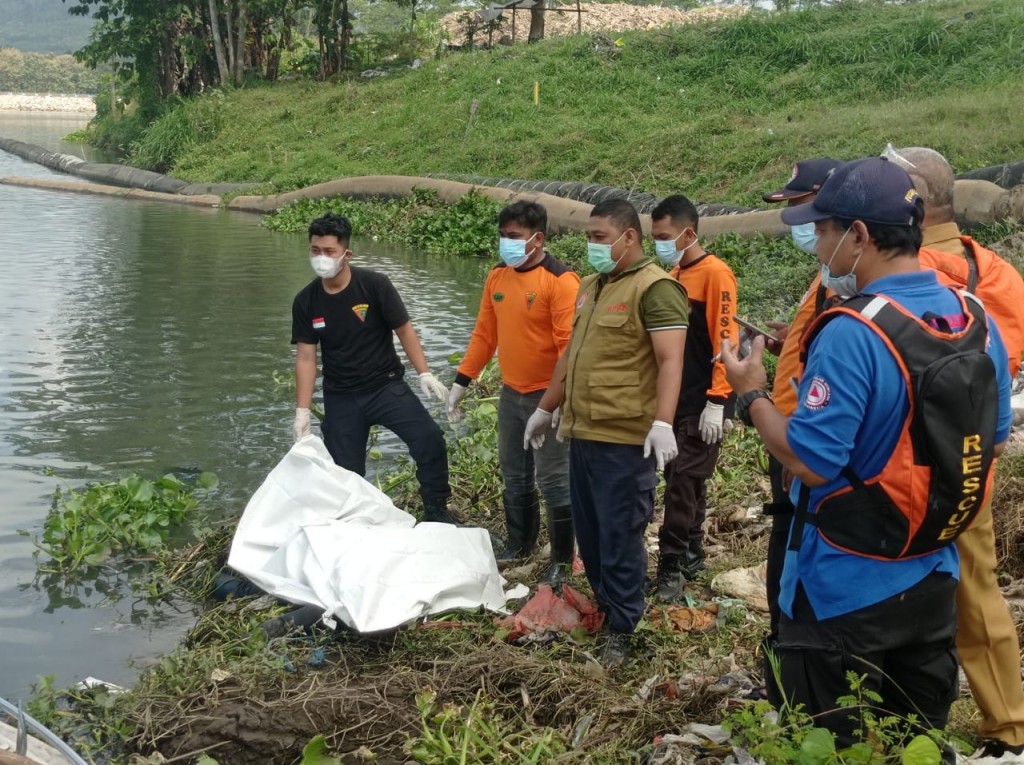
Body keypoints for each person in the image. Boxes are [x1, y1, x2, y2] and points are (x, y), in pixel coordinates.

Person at [723, 157, 1012, 746]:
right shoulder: (976, 317)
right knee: (917, 744)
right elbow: (995, 436)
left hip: (843, 584)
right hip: (934, 571)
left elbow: (810, 459)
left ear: (857, 235)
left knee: (833, 744)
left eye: (823, 231)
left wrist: (752, 393)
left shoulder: (854, 331)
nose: (817, 245)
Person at [891, 146, 1024, 759]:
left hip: (893, 466)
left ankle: (897, 726)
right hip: (972, 455)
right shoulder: (991, 271)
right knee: (978, 588)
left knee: (885, 591)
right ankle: (1008, 729)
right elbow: (1007, 357)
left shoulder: (885, 268)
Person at [523, 198, 689, 667]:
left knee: (620, 536)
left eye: (599, 237)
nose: (591, 245)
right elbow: (570, 355)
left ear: (629, 237)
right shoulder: (592, 285)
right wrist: (545, 408)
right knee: (591, 535)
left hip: (625, 438)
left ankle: (624, 625)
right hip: (583, 432)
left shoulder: (655, 289)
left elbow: (670, 360)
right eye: (589, 237)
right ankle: (605, 603)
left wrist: (662, 422)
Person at [291, 212, 456, 523]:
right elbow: (306, 357)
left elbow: (404, 329)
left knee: (430, 440)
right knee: (344, 473)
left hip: (385, 387)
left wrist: (424, 373)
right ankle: (356, 524)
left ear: (346, 254)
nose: (321, 258)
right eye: (315, 250)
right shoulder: (306, 301)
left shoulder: (374, 285)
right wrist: (302, 411)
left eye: (329, 251)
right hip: (341, 396)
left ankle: (436, 511)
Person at [447, 201, 580, 584]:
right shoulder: (498, 277)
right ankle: (519, 544)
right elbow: (485, 334)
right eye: (503, 236)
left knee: (554, 477)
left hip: (547, 396)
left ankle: (560, 559)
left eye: (514, 237)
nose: (506, 243)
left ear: (537, 239)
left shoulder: (560, 281)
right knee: (515, 473)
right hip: (512, 394)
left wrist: (555, 402)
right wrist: (462, 381)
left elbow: (566, 351)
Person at [759, 156, 842, 696]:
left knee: (796, 555)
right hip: (790, 434)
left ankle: (797, 675)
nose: (795, 221)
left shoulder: (846, 282)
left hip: (803, 443)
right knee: (785, 544)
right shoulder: (826, 274)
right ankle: (784, 664)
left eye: (801, 208)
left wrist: (745, 395)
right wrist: (790, 338)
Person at [649, 194, 738, 601]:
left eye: (664, 236)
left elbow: (725, 337)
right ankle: (693, 549)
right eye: (655, 236)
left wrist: (718, 400)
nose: (659, 243)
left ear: (688, 233)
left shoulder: (715, 274)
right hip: (678, 397)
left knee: (682, 483)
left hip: (705, 396)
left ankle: (671, 563)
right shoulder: (673, 274)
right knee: (687, 480)